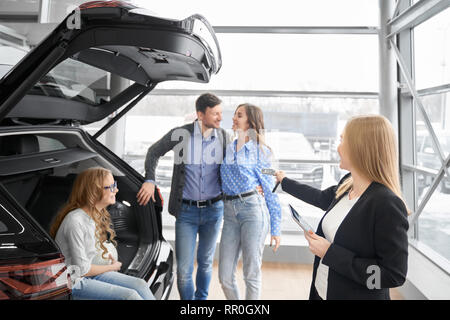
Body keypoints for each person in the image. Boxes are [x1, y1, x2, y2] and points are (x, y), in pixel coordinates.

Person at [275, 114, 409, 300]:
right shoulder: (348, 183)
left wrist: (330, 253)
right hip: (321, 291)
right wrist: (284, 182)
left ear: (360, 147)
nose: (337, 147)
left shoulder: (386, 204)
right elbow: (320, 198)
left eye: (342, 139)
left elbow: (392, 275)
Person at [136, 93, 228, 300]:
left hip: (214, 210)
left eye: (221, 113)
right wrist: (150, 179)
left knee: (205, 262)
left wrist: (258, 183)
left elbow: (237, 167)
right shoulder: (181, 134)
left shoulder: (223, 136)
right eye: (215, 113)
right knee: (184, 270)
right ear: (200, 114)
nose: (220, 118)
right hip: (186, 212)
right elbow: (153, 152)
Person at [50, 167, 155, 300]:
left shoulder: (93, 215)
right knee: (129, 296)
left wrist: (108, 263)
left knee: (140, 284)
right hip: (71, 281)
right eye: (110, 187)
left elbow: (88, 257)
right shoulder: (75, 221)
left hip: (85, 274)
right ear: (94, 191)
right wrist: (111, 267)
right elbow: (82, 269)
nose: (116, 190)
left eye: (115, 185)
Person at [219, 103, 282, 300]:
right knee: (224, 276)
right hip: (229, 213)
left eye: (239, 115)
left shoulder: (261, 151)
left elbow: (270, 188)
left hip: (252, 211)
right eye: (235, 114)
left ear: (250, 121)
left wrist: (276, 228)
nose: (234, 118)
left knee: (251, 274)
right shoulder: (228, 147)